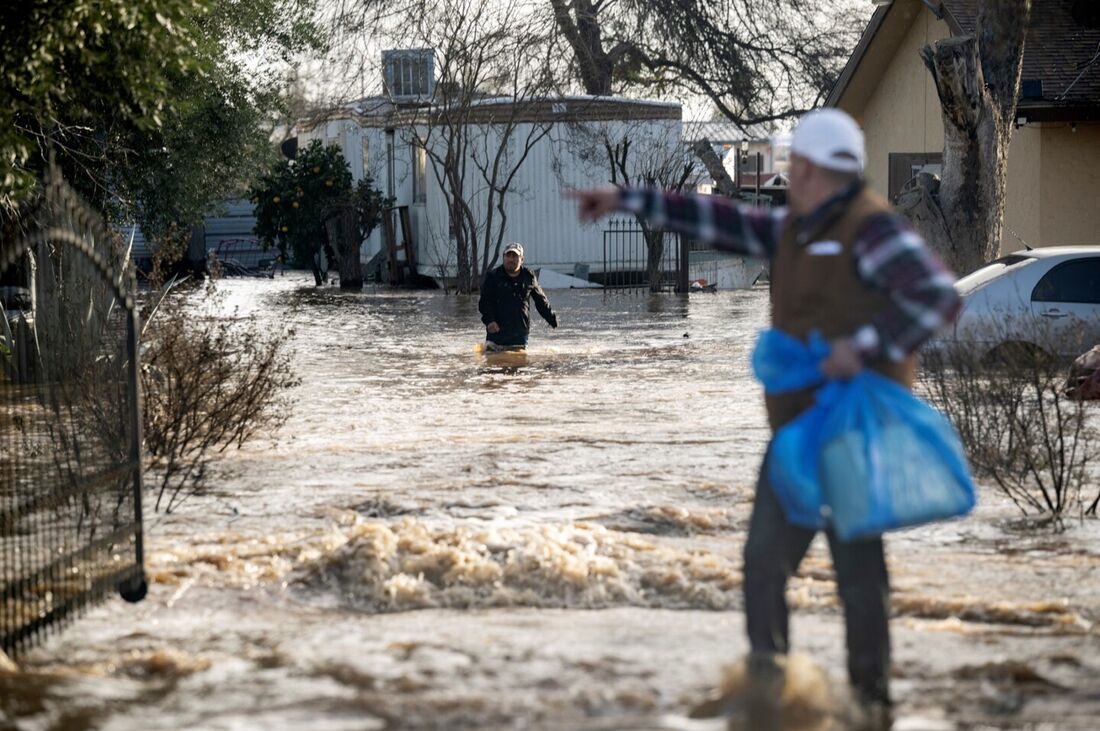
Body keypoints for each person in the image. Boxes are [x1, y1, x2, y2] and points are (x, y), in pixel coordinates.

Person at [568, 108, 961, 727]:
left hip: (854, 434)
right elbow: (718, 218)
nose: (788, 178)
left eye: (794, 166)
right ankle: (769, 695)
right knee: (762, 562)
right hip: (796, 436)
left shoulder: (873, 230)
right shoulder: (792, 229)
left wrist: (863, 345)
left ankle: (872, 705)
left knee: (859, 575)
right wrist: (625, 197)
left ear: (816, 169)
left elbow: (939, 297)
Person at [478, 242, 558, 351]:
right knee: (494, 365)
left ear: (522, 259)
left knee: (519, 364)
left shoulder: (529, 276)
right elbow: (484, 303)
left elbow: (541, 301)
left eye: (514, 256)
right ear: (503, 258)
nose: (510, 259)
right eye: (508, 256)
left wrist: (552, 319)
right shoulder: (493, 277)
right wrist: (489, 321)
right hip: (497, 333)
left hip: (520, 334)